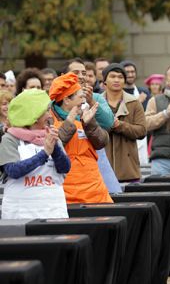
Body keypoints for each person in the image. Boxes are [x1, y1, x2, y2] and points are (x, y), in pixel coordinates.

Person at [0, 89, 71, 219]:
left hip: (53, 210)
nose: (50, 115)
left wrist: (54, 148)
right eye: (46, 110)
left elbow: (64, 168)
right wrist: (44, 154)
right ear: (33, 114)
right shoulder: (9, 139)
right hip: (21, 213)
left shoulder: (51, 135)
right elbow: (13, 170)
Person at [49, 73, 112, 204]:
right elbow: (52, 146)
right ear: (66, 100)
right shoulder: (48, 119)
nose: (84, 100)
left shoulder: (85, 115)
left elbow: (102, 142)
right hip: (65, 186)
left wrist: (90, 124)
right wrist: (69, 122)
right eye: (80, 96)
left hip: (94, 186)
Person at [102, 63, 147, 182]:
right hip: (102, 168)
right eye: (112, 76)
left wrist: (120, 125)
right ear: (104, 81)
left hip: (129, 168)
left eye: (120, 77)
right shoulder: (97, 103)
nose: (116, 80)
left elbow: (142, 131)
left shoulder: (134, 102)